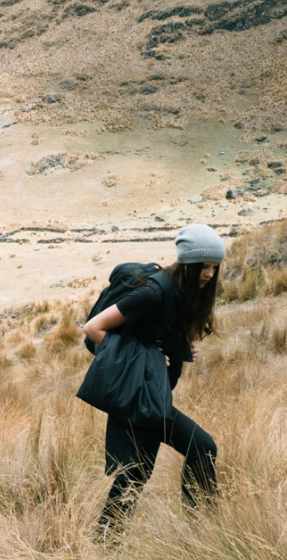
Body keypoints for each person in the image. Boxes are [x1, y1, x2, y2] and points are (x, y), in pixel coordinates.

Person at [82, 224, 223, 533]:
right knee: (202, 447)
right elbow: (94, 328)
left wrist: (183, 347)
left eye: (215, 267)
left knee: (135, 475)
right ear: (188, 262)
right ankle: (205, 528)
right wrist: (147, 359)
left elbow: (156, 334)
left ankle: (105, 542)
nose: (209, 274)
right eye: (204, 266)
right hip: (141, 395)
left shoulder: (180, 292)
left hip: (152, 396)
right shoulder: (154, 292)